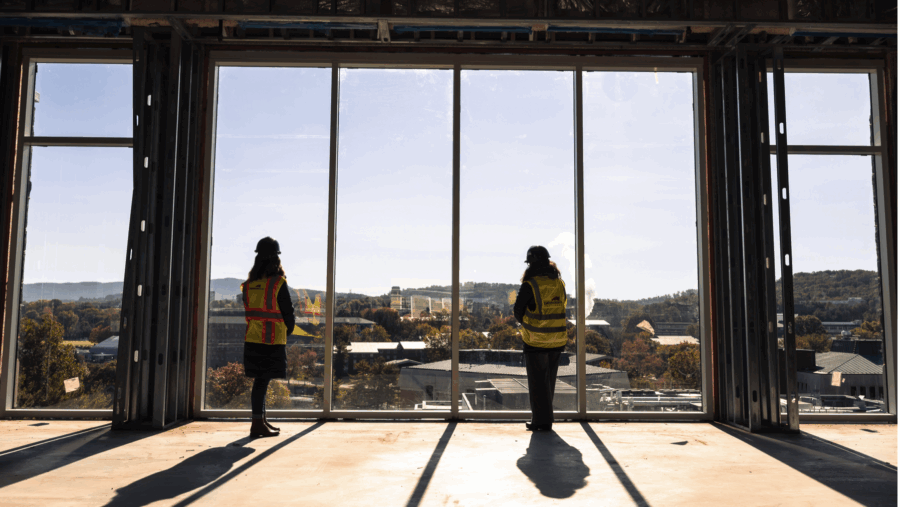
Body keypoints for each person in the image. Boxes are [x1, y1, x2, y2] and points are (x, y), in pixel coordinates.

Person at [242, 237, 296, 438]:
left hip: (252, 340)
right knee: (261, 382)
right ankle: (257, 423)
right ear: (275, 259)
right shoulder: (277, 283)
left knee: (260, 381)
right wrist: (286, 331)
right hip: (271, 340)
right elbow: (288, 312)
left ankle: (260, 420)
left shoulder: (248, 285)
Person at [513, 245, 568, 432]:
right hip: (557, 339)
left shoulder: (530, 284)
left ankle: (541, 422)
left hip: (536, 340)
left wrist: (530, 324)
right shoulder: (559, 283)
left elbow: (518, 311)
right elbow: (561, 306)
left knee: (537, 383)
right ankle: (544, 420)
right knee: (549, 382)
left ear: (530, 264)